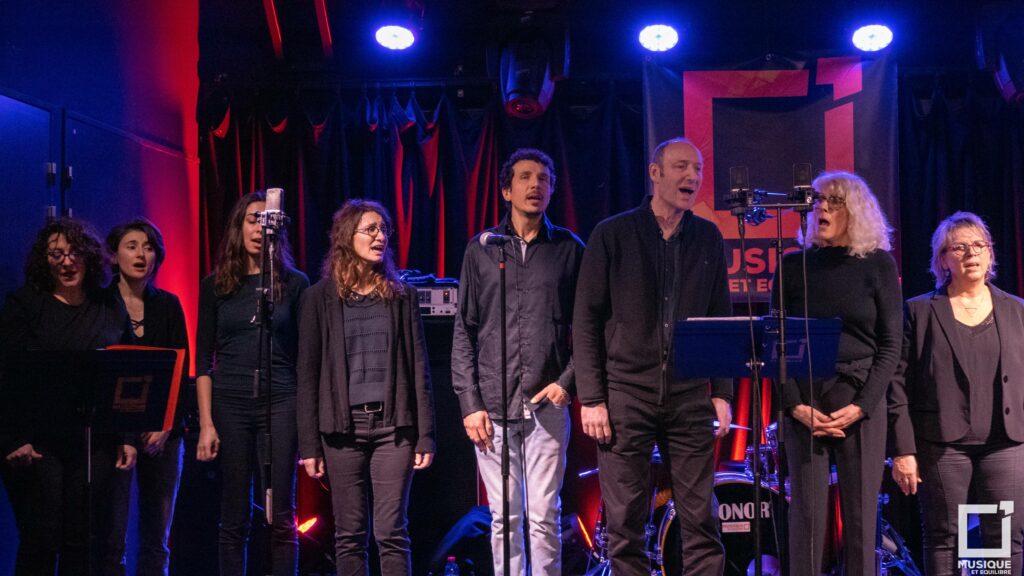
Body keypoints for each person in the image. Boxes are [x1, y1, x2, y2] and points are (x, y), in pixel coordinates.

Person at [573, 138, 733, 574]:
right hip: (626, 396)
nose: (692, 177)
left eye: (697, 169)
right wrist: (592, 397)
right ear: (655, 173)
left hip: (689, 397)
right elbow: (585, 320)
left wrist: (721, 390)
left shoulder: (708, 237)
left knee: (701, 520)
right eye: (681, 167)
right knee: (625, 524)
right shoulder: (613, 233)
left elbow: (720, 316)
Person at [452, 148, 585, 575]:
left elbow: (589, 327)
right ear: (507, 189)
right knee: (503, 518)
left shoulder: (569, 249)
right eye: (526, 177)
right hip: (492, 405)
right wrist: (469, 403)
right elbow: (464, 330)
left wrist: (568, 381)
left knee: (544, 516)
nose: (536, 185)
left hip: (548, 403)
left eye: (544, 178)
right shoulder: (483, 249)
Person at [773, 171, 902, 576]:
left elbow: (891, 345)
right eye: (816, 201)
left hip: (860, 398)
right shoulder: (793, 266)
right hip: (806, 402)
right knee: (806, 524)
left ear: (856, 210)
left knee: (863, 522)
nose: (821, 208)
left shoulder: (878, 264)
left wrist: (862, 406)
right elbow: (775, 342)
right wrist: (794, 405)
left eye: (833, 201)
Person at [297, 199, 435, 575]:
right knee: (349, 534)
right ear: (347, 236)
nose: (380, 237)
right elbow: (307, 374)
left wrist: (426, 435)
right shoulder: (318, 299)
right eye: (370, 229)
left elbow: (418, 366)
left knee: (391, 532)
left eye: (383, 230)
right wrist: (309, 444)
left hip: (395, 429)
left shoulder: (401, 296)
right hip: (342, 431)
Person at [889, 211, 1024, 575]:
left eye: (979, 245)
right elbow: (898, 383)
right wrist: (903, 450)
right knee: (944, 536)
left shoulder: (1016, 309)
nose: (971, 253)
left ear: (991, 253)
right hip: (942, 444)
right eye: (960, 247)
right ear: (943, 259)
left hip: (1006, 442)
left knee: (1004, 538)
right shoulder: (919, 311)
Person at [0, 217, 136, 575]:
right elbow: (7, 377)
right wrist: (13, 439)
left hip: (94, 441)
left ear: (89, 257)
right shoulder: (25, 305)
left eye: (74, 252)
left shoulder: (108, 306)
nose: (66, 261)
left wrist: (127, 435)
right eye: (56, 254)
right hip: (38, 442)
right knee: (41, 539)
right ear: (44, 261)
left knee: (85, 538)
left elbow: (128, 371)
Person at [195, 191, 308, 575]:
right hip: (230, 402)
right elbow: (202, 360)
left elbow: (306, 356)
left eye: (265, 220)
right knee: (234, 512)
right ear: (238, 227)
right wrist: (207, 424)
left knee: (280, 513)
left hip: (281, 400)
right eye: (251, 219)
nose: (259, 228)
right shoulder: (215, 286)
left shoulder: (294, 284)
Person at [104, 218, 189, 576]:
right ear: (113, 255)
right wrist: (126, 436)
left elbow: (179, 371)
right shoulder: (101, 304)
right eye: (132, 246)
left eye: (149, 247)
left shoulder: (168, 305)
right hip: (114, 433)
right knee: (111, 535)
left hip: (163, 432)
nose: (142, 254)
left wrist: (166, 426)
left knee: (157, 537)